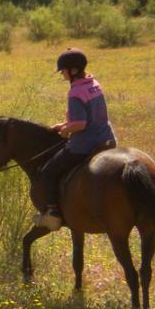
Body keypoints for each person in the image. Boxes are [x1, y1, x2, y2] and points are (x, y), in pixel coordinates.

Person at [35, 47, 117, 231]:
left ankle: (53, 214)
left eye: (63, 70)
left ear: (72, 70)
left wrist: (65, 131)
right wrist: (64, 124)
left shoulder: (75, 92)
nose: (62, 74)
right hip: (106, 137)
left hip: (85, 144)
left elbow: (80, 124)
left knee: (48, 172)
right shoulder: (94, 84)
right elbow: (90, 115)